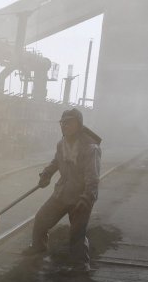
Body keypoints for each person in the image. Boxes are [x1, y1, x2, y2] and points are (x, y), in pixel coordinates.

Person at [22, 108, 102, 273]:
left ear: (78, 125)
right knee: (41, 218)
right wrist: (47, 174)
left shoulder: (90, 148)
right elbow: (56, 162)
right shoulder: (62, 143)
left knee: (77, 233)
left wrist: (87, 198)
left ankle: (81, 265)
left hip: (81, 196)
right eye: (63, 123)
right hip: (63, 193)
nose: (65, 126)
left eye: (69, 122)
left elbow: (92, 177)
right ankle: (39, 246)